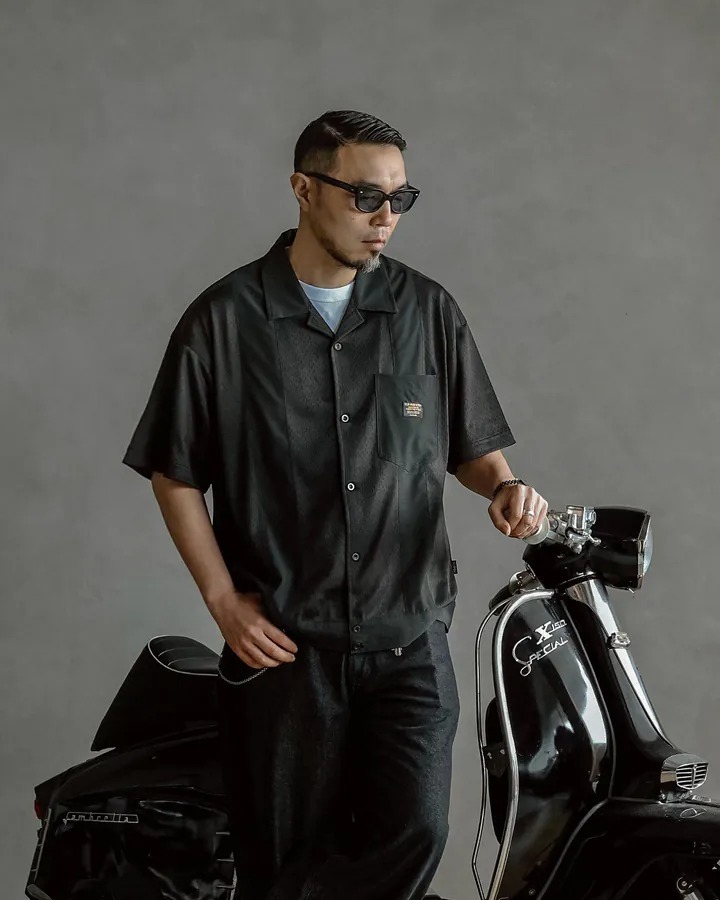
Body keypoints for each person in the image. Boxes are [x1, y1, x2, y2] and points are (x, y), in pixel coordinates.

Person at [122, 109, 548, 900]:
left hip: (408, 636)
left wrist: (506, 486)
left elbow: (471, 449)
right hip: (287, 654)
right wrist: (223, 602)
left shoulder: (427, 312)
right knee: (284, 865)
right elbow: (174, 472)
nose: (386, 216)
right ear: (303, 189)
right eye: (364, 196)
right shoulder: (224, 321)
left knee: (415, 834)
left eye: (399, 197)